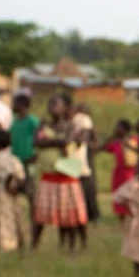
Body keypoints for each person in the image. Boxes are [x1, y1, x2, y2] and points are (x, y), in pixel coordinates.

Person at [32, 96, 89, 252]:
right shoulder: (43, 124)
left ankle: (74, 245)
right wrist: (57, 142)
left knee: (70, 214)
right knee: (41, 215)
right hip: (49, 174)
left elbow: (67, 142)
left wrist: (49, 142)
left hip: (67, 174)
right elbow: (36, 142)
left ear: (65, 108)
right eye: (50, 103)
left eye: (56, 104)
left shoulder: (71, 126)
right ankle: (34, 246)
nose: (52, 107)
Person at [0, 124, 26, 256]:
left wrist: (10, 185)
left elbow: (5, 176)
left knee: (2, 219)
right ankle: (18, 242)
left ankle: (6, 246)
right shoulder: (14, 158)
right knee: (15, 216)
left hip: (1, 192)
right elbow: (20, 175)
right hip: (14, 193)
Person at [103, 119, 139, 222]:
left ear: (124, 129)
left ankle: (134, 219)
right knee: (119, 199)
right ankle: (122, 220)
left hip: (130, 174)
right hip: (118, 174)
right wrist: (112, 136)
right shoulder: (116, 143)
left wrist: (127, 145)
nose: (116, 129)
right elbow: (104, 147)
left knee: (131, 198)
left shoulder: (134, 140)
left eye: (118, 127)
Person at [70, 104, 100, 224]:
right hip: (79, 153)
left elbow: (88, 135)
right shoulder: (76, 119)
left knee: (87, 184)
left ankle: (91, 213)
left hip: (83, 152)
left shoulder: (82, 119)